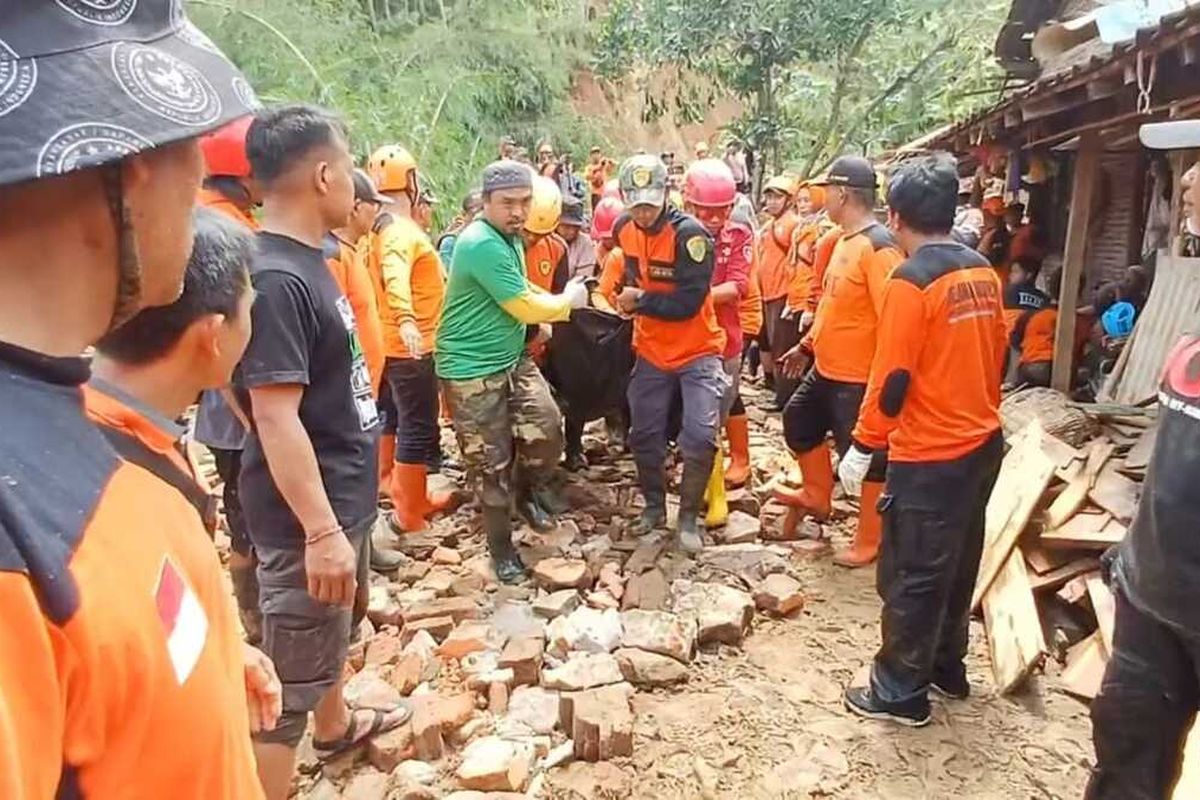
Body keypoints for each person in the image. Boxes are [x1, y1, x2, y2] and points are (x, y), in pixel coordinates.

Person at [0, 3, 267, 796]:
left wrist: (215, 650)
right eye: (195, 146)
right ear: (133, 158)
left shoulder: (76, 420)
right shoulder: (21, 535)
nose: (205, 179)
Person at [237, 106, 406, 798]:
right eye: (351, 161)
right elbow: (271, 415)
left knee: (332, 628)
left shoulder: (304, 263)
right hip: (312, 515)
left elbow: (236, 388)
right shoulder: (279, 279)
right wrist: (321, 529)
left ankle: (336, 731)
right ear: (325, 173)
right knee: (286, 688)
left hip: (338, 492)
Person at [86, 203, 282, 732]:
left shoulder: (135, 437)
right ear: (214, 334)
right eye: (251, 307)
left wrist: (224, 647)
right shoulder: (108, 491)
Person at [839, 152, 1006, 727]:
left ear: (896, 213)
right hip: (982, 442)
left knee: (910, 572)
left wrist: (863, 446)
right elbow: (996, 355)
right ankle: (945, 667)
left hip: (931, 450)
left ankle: (899, 691)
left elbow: (891, 379)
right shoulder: (982, 271)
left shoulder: (911, 282)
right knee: (956, 563)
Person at [436, 161, 590, 583]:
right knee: (491, 462)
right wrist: (565, 303)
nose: (518, 212)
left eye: (525, 202)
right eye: (508, 203)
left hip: (510, 358)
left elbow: (523, 289)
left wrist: (554, 297)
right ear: (486, 202)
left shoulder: (512, 240)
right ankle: (501, 550)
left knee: (547, 427)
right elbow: (522, 304)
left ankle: (526, 495)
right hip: (471, 367)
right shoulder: (479, 242)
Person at [774, 157, 902, 565]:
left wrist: (884, 385)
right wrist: (807, 345)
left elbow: (895, 320)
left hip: (860, 377)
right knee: (798, 420)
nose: (821, 197)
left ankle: (870, 539)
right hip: (826, 368)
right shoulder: (842, 241)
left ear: (843, 194)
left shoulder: (879, 249)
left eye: (826, 190)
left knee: (867, 459)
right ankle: (817, 493)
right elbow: (833, 307)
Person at [614, 154, 726, 552]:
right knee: (643, 434)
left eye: (650, 202)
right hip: (651, 350)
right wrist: (623, 297)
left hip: (697, 351)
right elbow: (629, 274)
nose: (643, 212)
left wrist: (639, 301)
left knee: (699, 435)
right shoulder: (623, 228)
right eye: (636, 203)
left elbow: (688, 304)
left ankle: (690, 516)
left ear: (666, 196)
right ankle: (654, 508)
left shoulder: (690, 237)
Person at [194, 114, 264, 643]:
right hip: (242, 404)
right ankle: (257, 618)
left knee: (245, 513)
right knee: (253, 518)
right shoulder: (233, 236)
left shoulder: (197, 217)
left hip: (228, 406)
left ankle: (254, 613)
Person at [362, 145, 453, 534]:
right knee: (417, 424)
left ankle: (391, 484)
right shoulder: (400, 233)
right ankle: (410, 510)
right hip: (413, 345)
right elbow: (395, 276)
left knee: (394, 416)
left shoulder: (376, 232)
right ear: (412, 182)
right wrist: (407, 319)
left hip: (388, 343)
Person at [681, 159, 751, 521]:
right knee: (691, 421)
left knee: (715, 419)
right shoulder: (673, 235)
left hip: (724, 343)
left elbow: (738, 285)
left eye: (721, 211)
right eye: (705, 211)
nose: (713, 219)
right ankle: (699, 483)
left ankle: (716, 492)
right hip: (680, 344)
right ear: (688, 204)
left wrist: (692, 298)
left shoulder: (738, 236)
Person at [756, 175, 802, 410]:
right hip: (768, 293)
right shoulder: (771, 225)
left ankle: (785, 399)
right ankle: (777, 390)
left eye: (777, 197)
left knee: (783, 346)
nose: (772, 201)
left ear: (789, 200)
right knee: (772, 343)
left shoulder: (792, 225)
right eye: (769, 196)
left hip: (783, 294)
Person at [729, 193, 764, 487]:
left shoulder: (739, 237)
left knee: (728, 391)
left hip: (740, 319)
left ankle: (741, 458)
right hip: (720, 321)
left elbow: (740, 288)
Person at [438, 189, 485, 267]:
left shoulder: (491, 238)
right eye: (478, 210)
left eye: (484, 209)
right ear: (464, 214)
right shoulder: (451, 241)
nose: (480, 214)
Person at [558, 195, 599, 279]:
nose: (572, 231)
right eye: (567, 226)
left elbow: (582, 279)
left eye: (576, 226)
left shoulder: (585, 243)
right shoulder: (546, 241)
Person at [585, 146, 612, 210]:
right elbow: (587, 177)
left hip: (605, 193)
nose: (596, 156)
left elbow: (612, 168)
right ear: (591, 156)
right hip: (595, 194)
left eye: (597, 153)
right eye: (594, 154)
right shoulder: (589, 167)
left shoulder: (604, 165)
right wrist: (599, 166)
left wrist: (608, 162)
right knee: (596, 212)